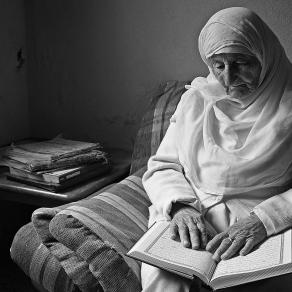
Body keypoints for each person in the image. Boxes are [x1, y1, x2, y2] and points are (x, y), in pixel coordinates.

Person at [141, 6, 292, 292]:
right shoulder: (196, 99)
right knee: (166, 283)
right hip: (190, 215)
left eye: (242, 63)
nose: (228, 78)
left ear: (265, 56)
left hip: (263, 223)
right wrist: (181, 207)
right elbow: (163, 165)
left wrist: (264, 220)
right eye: (218, 65)